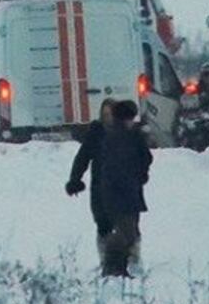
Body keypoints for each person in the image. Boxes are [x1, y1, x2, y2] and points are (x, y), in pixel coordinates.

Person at [98, 100, 153, 277]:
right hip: (123, 192)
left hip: (121, 192)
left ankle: (118, 265)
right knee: (128, 232)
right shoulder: (126, 137)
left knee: (130, 230)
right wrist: (139, 174)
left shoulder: (116, 137)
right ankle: (113, 264)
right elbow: (144, 158)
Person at [65, 99, 116, 268]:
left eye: (111, 114)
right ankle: (106, 262)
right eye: (105, 114)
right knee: (103, 224)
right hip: (100, 188)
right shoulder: (96, 133)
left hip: (122, 188)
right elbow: (82, 158)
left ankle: (130, 261)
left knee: (127, 226)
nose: (108, 118)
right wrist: (75, 179)